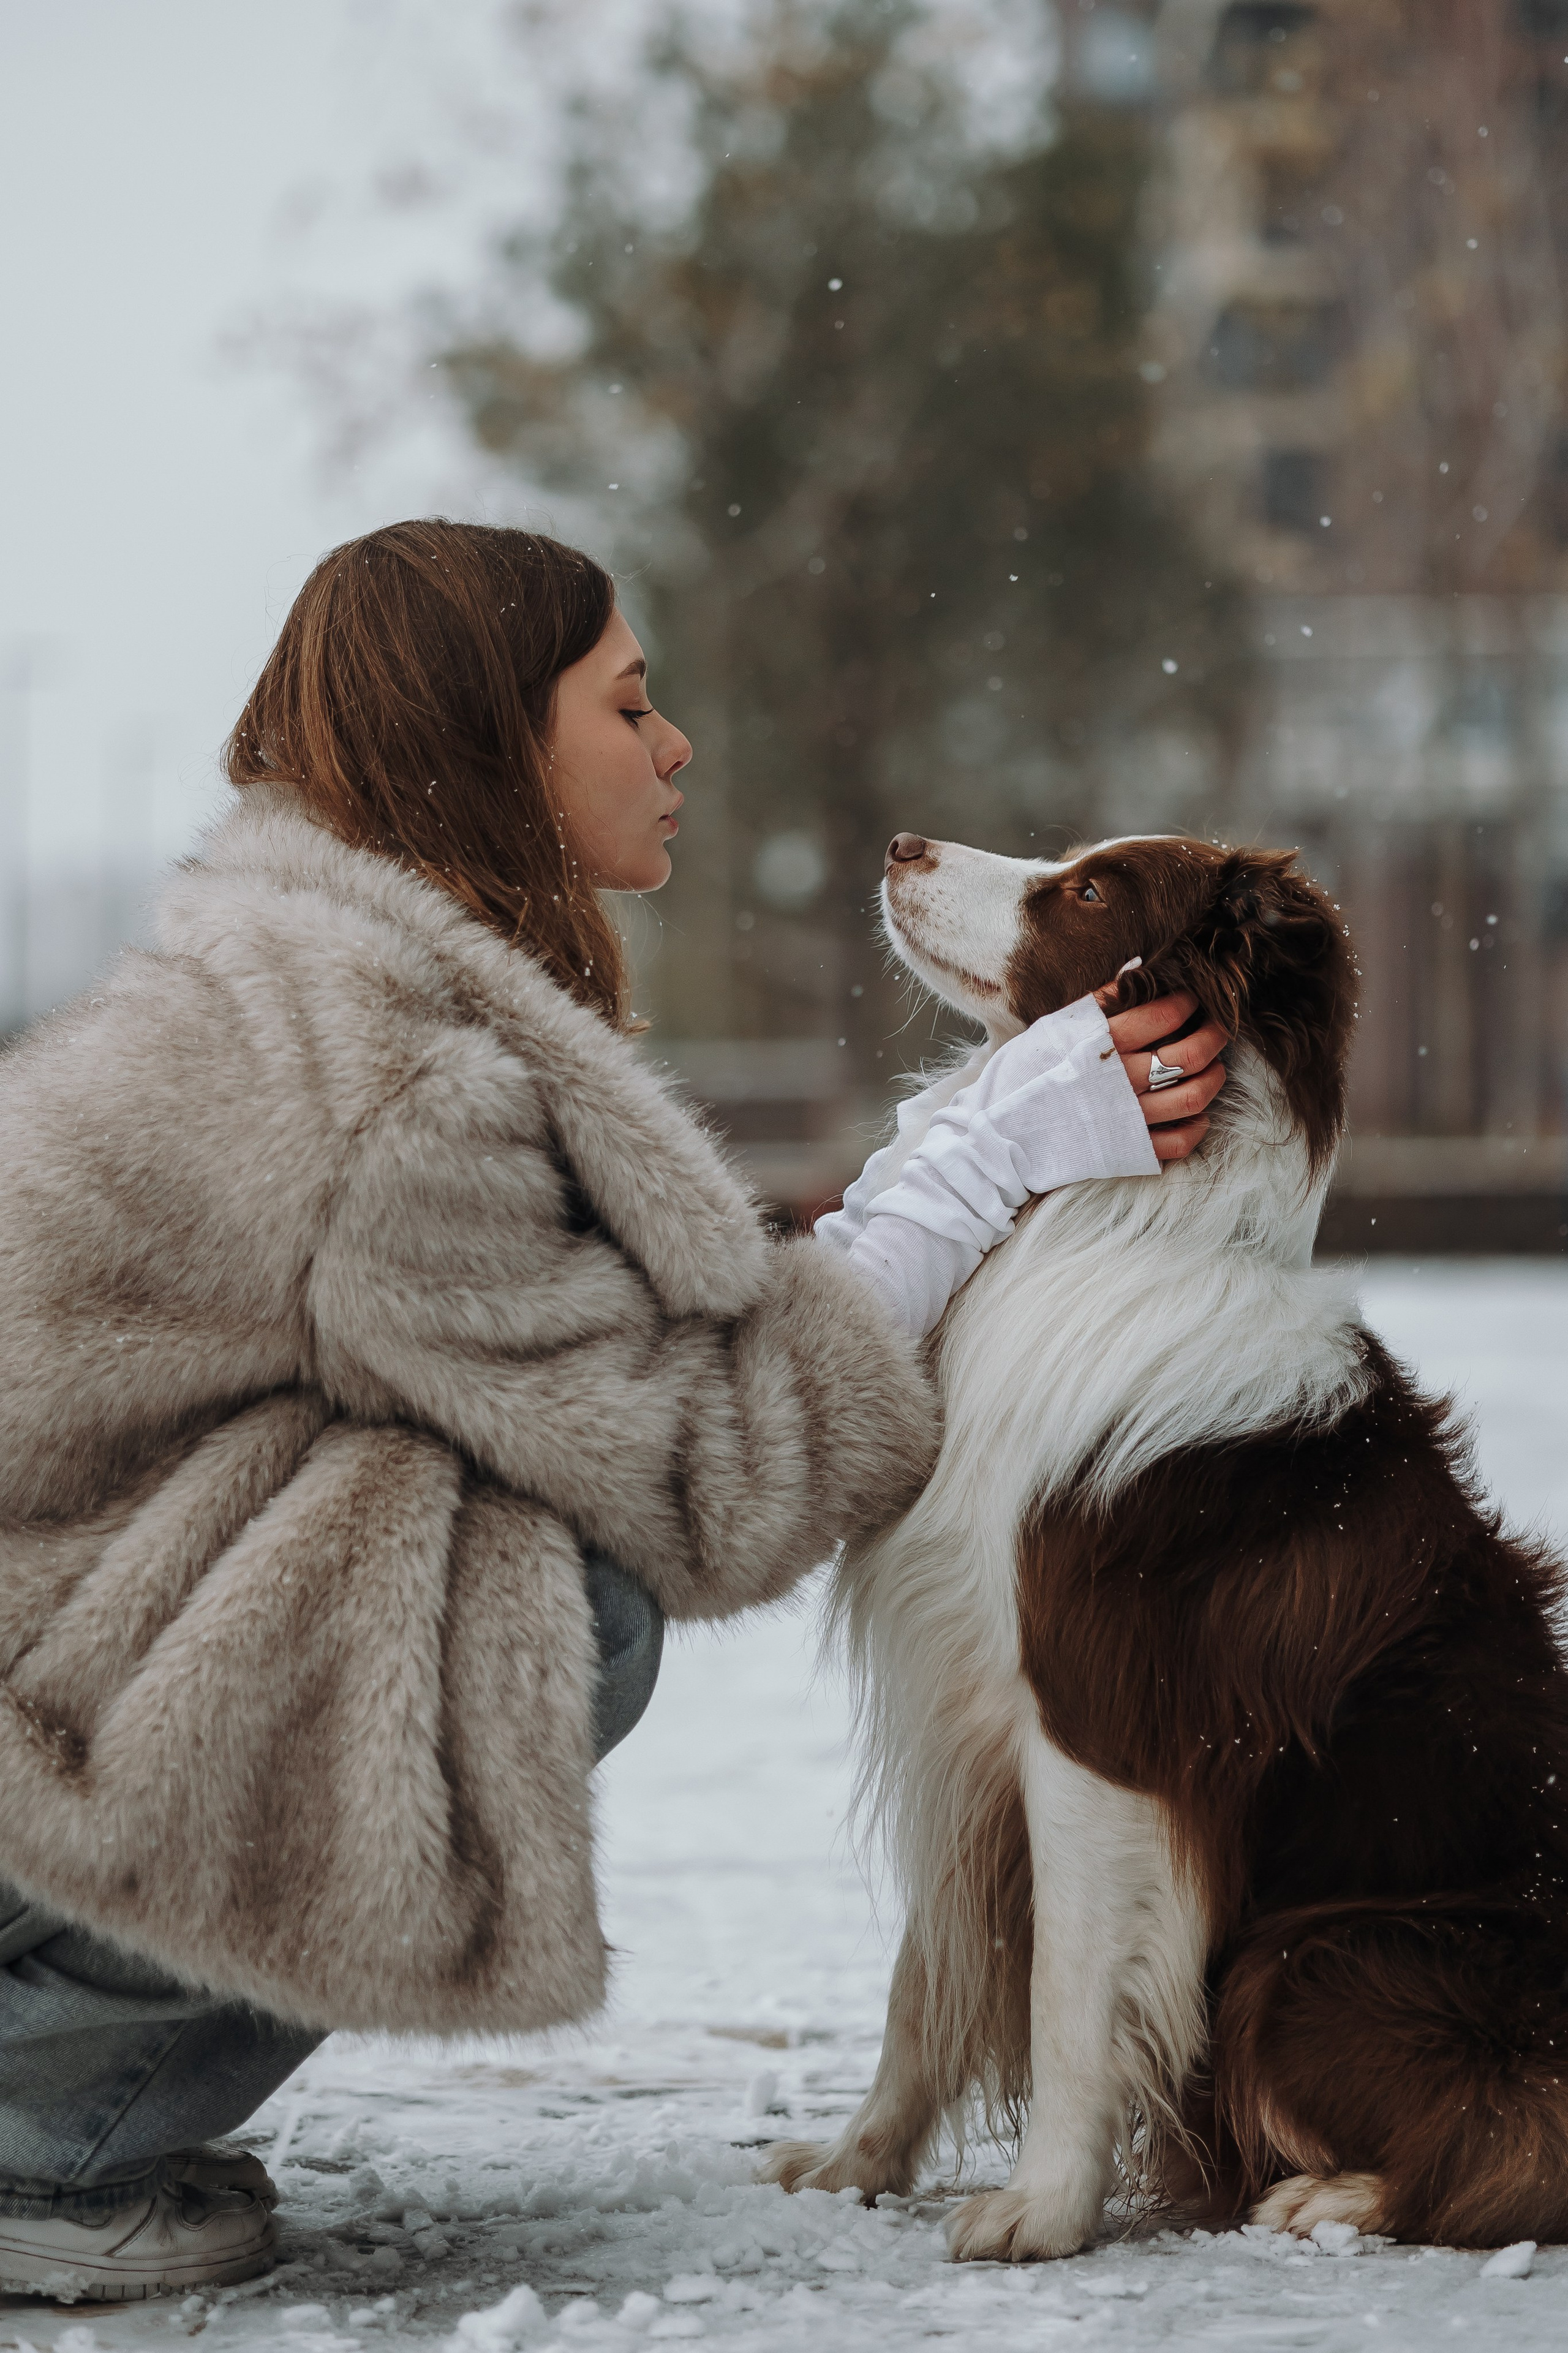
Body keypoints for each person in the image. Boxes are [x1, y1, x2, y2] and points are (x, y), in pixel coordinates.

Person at [0, 521, 1224, 2301]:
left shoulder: (313, 988)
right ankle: (39, 2132)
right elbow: (705, 1467)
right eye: (629, 703)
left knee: (476, 1537)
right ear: (495, 740)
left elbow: (616, 1353)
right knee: (563, 1612)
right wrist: (974, 1160)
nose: (678, 747)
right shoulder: (393, 1074)